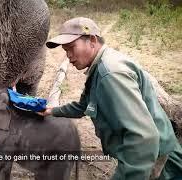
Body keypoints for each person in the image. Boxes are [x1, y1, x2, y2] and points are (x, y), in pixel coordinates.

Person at [38, 17, 182, 180]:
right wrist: (52, 111)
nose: (69, 55)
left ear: (92, 40)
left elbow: (143, 138)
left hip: (157, 163)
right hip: (150, 156)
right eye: (65, 50)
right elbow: (85, 106)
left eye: (72, 47)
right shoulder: (99, 66)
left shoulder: (110, 74)